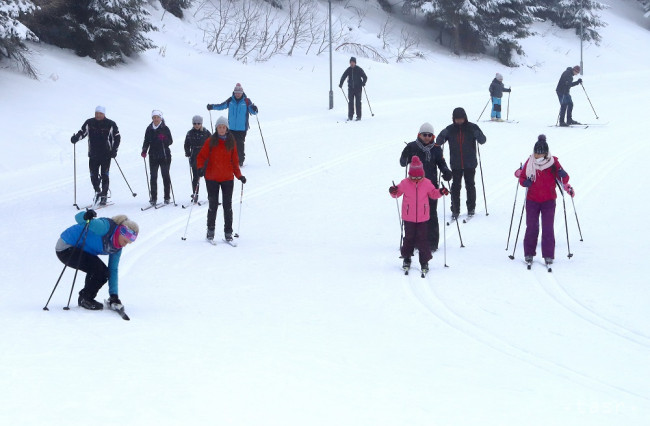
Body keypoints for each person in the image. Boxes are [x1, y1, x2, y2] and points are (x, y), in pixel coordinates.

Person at [55, 209, 138, 310]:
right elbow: (78, 218)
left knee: (103, 272)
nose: (125, 245)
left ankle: (86, 298)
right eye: (125, 241)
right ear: (121, 232)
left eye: (128, 243)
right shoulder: (104, 227)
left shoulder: (117, 248)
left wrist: (114, 296)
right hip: (66, 247)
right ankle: (85, 299)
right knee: (99, 270)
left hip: (80, 250)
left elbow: (113, 270)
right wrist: (86, 215)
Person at [515, 135, 573, 265]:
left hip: (549, 201)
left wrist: (563, 175)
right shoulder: (529, 162)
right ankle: (529, 253)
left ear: (546, 154)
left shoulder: (553, 162)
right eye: (536, 153)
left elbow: (564, 178)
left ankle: (548, 255)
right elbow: (522, 178)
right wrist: (526, 183)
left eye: (540, 154)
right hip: (532, 200)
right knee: (531, 227)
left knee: (548, 228)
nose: (537, 157)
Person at [389, 156, 448, 273]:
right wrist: (393, 191)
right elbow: (397, 194)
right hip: (408, 216)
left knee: (423, 239)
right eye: (413, 176)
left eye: (419, 176)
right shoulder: (405, 183)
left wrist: (441, 192)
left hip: (423, 217)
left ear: (423, 174)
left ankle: (424, 261)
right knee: (409, 237)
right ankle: (406, 257)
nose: (416, 179)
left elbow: (433, 193)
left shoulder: (427, 183)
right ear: (410, 174)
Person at [400, 122, 452, 252]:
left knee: (431, 214)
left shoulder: (436, 148)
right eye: (424, 135)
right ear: (419, 135)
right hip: (414, 187)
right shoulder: (412, 146)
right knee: (415, 216)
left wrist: (446, 171)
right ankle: (414, 242)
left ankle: (432, 243)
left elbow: (441, 163)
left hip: (431, 186)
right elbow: (402, 163)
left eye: (430, 135)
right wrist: (405, 156)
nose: (427, 137)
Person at [196, 116, 246, 242]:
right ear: (216, 128)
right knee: (213, 205)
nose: (222, 129)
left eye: (224, 127)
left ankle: (228, 232)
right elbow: (201, 156)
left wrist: (239, 175)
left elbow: (235, 161)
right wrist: (200, 168)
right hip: (212, 178)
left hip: (227, 178)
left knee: (227, 206)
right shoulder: (210, 141)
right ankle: (210, 231)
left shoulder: (231, 141)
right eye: (220, 127)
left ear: (227, 128)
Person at [435, 107, 487, 221]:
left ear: (465, 117)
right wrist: (442, 135)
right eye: (457, 119)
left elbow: (483, 141)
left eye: (461, 119)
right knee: (455, 187)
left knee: (470, 185)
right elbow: (438, 142)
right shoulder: (449, 129)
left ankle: (471, 208)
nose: (459, 121)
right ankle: (455, 209)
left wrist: (478, 134)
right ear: (453, 119)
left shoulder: (472, 127)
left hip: (470, 163)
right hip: (456, 164)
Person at [70, 106, 121, 206]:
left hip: (106, 154)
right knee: (93, 175)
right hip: (93, 154)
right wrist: (76, 138)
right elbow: (82, 132)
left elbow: (117, 137)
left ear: (104, 114)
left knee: (104, 174)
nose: (98, 115)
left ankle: (104, 196)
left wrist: (114, 150)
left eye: (100, 113)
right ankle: (97, 192)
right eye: (96, 113)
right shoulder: (89, 122)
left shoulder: (111, 124)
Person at [207, 83, 258, 167]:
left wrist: (255, 109)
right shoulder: (230, 100)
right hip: (231, 128)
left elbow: (253, 112)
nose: (237, 94)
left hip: (242, 128)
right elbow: (221, 106)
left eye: (239, 92)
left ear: (242, 93)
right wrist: (212, 107)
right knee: (230, 144)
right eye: (236, 92)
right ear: (234, 92)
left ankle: (240, 161)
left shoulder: (246, 101)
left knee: (239, 144)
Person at [141, 110, 174, 206]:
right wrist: (144, 150)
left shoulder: (165, 128)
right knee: (153, 177)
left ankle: (167, 197)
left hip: (164, 155)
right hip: (153, 155)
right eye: (154, 117)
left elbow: (170, 141)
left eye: (157, 117)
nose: (155, 119)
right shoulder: (149, 128)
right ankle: (153, 198)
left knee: (165, 176)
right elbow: (146, 141)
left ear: (160, 118)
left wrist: (164, 138)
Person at [184, 115, 211, 203]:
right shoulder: (190, 133)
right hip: (194, 155)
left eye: (198, 123)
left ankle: (211, 195)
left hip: (205, 156)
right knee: (196, 176)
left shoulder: (206, 132)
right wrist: (187, 152)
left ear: (201, 123)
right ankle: (195, 194)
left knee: (208, 177)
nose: (196, 125)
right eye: (195, 123)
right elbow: (186, 144)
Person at [339, 56, 368, 121]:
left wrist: (363, 83)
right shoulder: (348, 69)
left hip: (358, 88)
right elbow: (344, 76)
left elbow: (365, 77)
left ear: (355, 63)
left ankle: (359, 116)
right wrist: (341, 83)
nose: (352, 63)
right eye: (351, 62)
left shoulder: (359, 69)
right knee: (350, 102)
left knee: (358, 102)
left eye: (353, 62)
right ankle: (350, 116)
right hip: (351, 88)